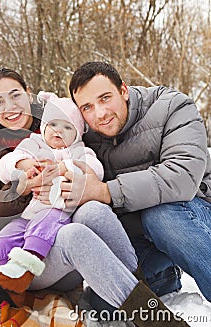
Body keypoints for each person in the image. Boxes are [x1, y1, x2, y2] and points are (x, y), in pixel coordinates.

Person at [0, 67, 189, 326]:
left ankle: (136, 287)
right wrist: (21, 187)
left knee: (92, 210)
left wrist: (75, 176)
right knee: (73, 234)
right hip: (15, 253)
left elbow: (95, 171)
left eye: (15, 95)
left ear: (29, 94)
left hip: (65, 256)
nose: (10, 106)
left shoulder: (66, 122)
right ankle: (156, 320)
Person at [66, 61, 211, 304]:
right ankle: (163, 274)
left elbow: (182, 177)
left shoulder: (172, 106)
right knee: (101, 307)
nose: (99, 114)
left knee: (161, 216)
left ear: (123, 90)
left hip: (194, 216)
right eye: (87, 107)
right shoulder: (85, 135)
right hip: (139, 235)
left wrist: (105, 191)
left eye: (105, 98)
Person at [0, 93, 104, 306]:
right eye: (53, 124)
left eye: (68, 127)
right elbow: (4, 165)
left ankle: (25, 267)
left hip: (59, 211)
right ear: (43, 127)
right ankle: (7, 284)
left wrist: (64, 167)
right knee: (5, 237)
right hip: (30, 213)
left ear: (78, 133)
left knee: (43, 225)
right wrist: (23, 164)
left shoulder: (77, 150)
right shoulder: (35, 145)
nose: (59, 130)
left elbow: (96, 169)